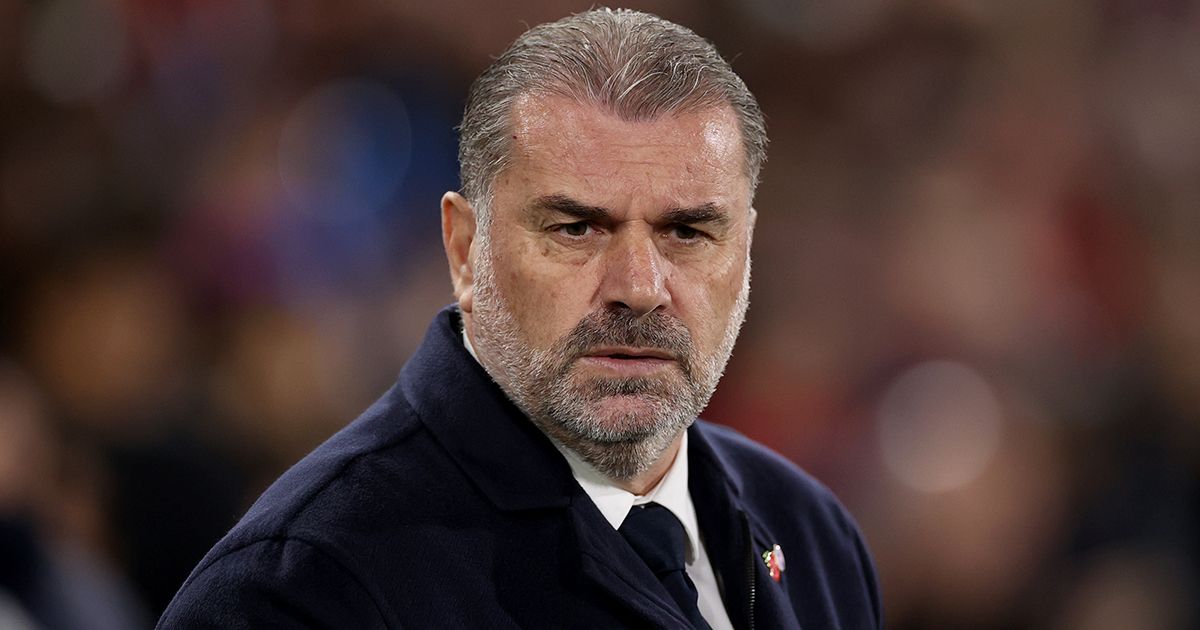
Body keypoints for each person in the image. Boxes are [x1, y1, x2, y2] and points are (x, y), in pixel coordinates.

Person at [159, 8, 881, 629]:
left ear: (746, 252)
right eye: (576, 228)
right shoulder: (304, 590)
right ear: (465, 251)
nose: (639, 287)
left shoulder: (811, 534)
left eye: (687, 233)